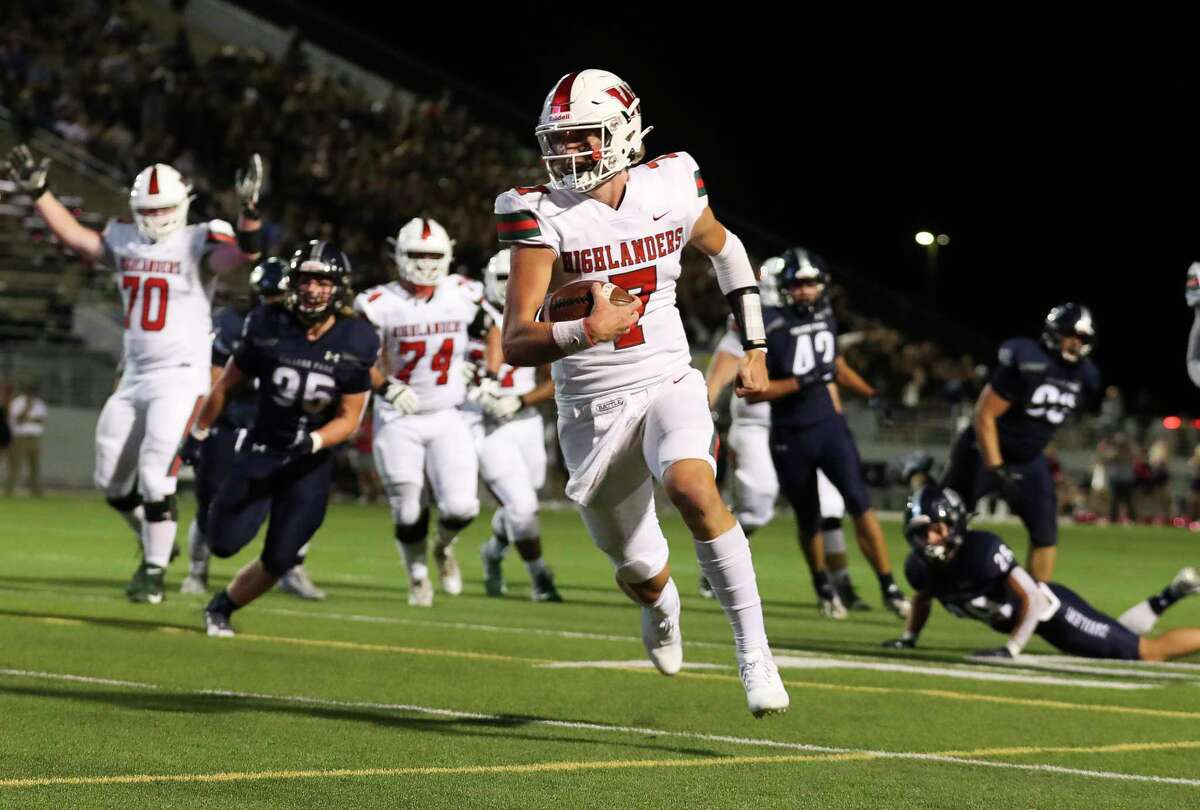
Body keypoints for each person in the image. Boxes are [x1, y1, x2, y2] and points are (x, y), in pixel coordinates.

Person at [497, 69, 788, 717]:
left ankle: (754, 652)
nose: (567, 155)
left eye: (582, 140)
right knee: (638, 568)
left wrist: (758, 345)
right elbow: (518, 340)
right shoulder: (537, 211)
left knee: (692, 485)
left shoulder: (673, 182)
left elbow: (727, 249)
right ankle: (663, 606)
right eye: (559, 141)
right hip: (592, 412)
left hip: (667, 378)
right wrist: (585, 328)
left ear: (624, 133)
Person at [0, 145, 262, 602]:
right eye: (148, 209)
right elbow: (77, 239)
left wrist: (250, 215)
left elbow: (241, 258)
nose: (155, 217)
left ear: (182, 206)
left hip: (181, 374)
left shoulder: (200, 238)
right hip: (135, 372)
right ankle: (154, 538)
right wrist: (39, 193)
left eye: (162, 208)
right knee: (110, 480)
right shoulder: (124, 237)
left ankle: (154, 573)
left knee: (156, 474)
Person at [178, 241, 379, 637]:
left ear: (338, 288)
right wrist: (199, 431)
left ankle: (222, 607)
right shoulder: (269, 322)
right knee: (222, 541)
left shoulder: (357, 338)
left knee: (282, 556)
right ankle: (208, 563)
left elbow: (349, 418)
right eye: (306, 280)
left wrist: (313, 443)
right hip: (262, 450)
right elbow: (226, 385)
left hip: (309, 462)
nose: (312, 289)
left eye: (323, 281)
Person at [746, 248, 910, 619]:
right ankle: (823, 585)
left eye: (810, 283)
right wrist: (798, 382)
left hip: (829, 427)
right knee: (810, 517)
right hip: (791, 433)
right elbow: (754, 390)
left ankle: (889, 585)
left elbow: (833, 363)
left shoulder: (824, 313)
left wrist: (870, 393)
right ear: (784, 287)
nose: (805, 291)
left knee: (861, 505)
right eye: (798, 284)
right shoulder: (767, 323)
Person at [704, 260, 870, 613]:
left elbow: (825, 374)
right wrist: (706, 404)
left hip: (806, 422)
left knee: (832, 504)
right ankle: (719, 561)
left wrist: (835, 420)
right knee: (758, 504)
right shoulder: (749, 319)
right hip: (756, 422)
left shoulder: (808, 317)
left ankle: (843, 586)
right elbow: (724, 364)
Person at [885, 485, 1200, 662]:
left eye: (934, 529)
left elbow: (1033, 598)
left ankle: (1173, 597)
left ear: (953, 523)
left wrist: (1011, 649)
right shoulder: (920, 567)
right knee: (1120, 637)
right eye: (920, 532)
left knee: (1146, 652)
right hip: (1039, 623)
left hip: (1054, 613)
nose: (928, 540)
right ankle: (1171, 594)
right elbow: (923, 597)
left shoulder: (981, 550)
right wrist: (909, 638)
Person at [354, 217, 485, 607]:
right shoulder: (378, 303)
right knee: (407, 508)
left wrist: (482, 367)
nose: (425, 262)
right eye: (416, 254)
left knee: (462, 506)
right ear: (398, 255)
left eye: (433, 255)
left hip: (448, 413)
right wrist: (385, 385)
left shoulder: (464, 292)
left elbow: (494, 328)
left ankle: (443, 547)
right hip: (399, 416)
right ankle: (417, 577)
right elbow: (356, 357)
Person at [181, 257, 326, 600]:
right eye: (267, 295)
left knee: (297, 504)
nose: (273, 302)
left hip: (282, 431)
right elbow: (218, 382)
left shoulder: (308, 329)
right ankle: (197, 571)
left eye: (279, 295)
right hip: (234, 424)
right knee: (211, 502)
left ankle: (291, 567)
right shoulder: (234, 324)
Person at [941, 304, 1101, 582]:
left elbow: (1042, 423)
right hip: (984, 449)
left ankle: (1038, 603)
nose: (1076, 343)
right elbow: (984, 415)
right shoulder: (1029, 362)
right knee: (946, 521)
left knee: (1045, 533)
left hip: (1029, 458)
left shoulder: (1084, 376)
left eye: (1082, 338)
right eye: (1070, 335)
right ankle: (935, 586)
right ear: (1054, 333)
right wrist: (996, 467)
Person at [473, 248, 562, 602]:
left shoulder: (536, 317)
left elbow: (554, 381)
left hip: (524, 422)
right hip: (486, 425)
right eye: (500, 279)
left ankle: (493, 551)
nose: (506, 286)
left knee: (524, 504)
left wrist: (521, 400)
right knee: (522, 508)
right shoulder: (467, 317)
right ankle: (540, 575)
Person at [4, 380, 46, 497]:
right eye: (29, 390)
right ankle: (9, 490)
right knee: (14, 465)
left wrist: (28, 418)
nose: (30, 393)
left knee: (34, 466)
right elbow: (17, 419)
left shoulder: (39, 403)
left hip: (34, 437)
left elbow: (41, 420)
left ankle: (36, 491)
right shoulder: (17, 402)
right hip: (20, 437)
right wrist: (27, 408)